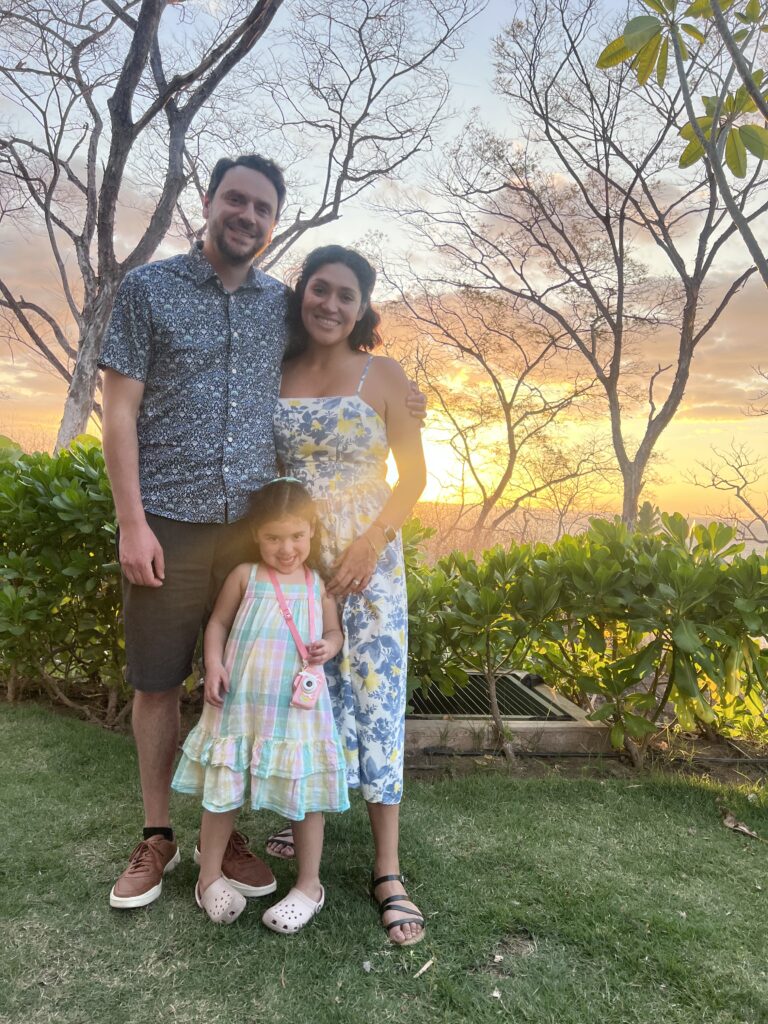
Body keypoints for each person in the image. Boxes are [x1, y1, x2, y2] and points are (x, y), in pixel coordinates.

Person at [100, 153, 425, 911]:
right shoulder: (151, 288)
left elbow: (352, 369)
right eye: (235, 201)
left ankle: (263, 837)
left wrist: (408, 395)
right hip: (183, 524)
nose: (246, 216)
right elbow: (118, 410)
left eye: (261, 208)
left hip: (279, 540)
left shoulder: (279, 306)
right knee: (164, 681)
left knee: (273, 687)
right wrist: (132, 520)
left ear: (274, 224)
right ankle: (160, 835)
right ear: (208, 203)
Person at [270, 245, 428, 946]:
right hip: (296, 562)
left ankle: (387, 870)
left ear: (363, 307)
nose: (331, 304)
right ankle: (303, 822)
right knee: (306, 687)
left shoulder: (384, 374)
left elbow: (414, 477)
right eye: (320, 289)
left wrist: (369, 543)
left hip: (370, 564)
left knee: (374, 696)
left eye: (346, 295)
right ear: (301, 293)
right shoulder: (274, 372)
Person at [171, 479, 347, 931]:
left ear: (311, 531)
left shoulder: (318, 585)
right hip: (241, 703)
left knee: (307, 794)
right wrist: (213, 665)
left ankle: (309, 885)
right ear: (256, 536)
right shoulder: (245, 576)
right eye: (273, 537)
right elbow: (218, 623)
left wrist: (329, 646)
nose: (285, 548)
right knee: (223, 788)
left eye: (296, 536)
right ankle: (208, 877)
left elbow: (334, 633)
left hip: (297, 712)